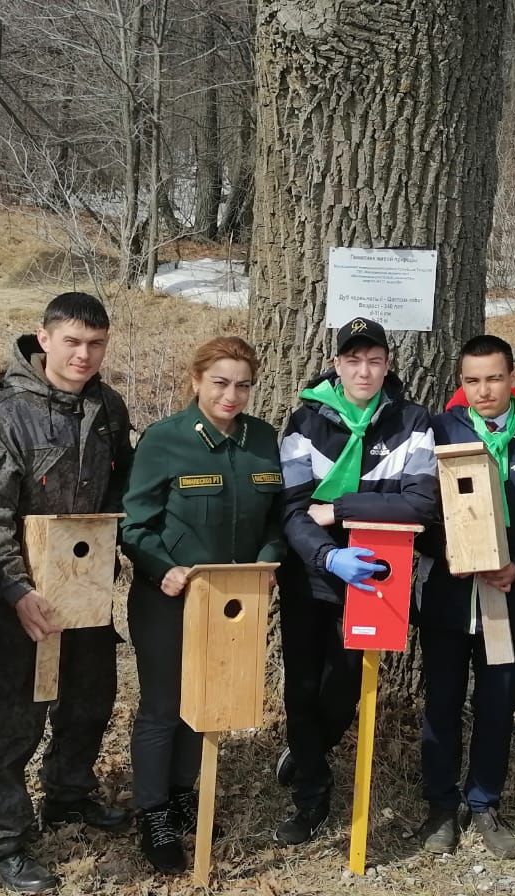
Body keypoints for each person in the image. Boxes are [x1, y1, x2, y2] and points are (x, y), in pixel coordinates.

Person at [0, 293, 133, 894]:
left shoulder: (108, 407)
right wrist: (14, 588)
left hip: (86, 589)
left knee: (90, 701)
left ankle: (68, 793)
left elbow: (124, 489)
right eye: (72, 342)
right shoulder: (6, 413)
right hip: (22, 599)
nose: (84, 355)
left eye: (95, 344)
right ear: (44, 339)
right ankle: (6, 838)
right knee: (13, 719)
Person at [119, 336, 285, 873]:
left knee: (206, 701)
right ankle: (152, 811)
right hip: (168, 599)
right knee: (164, 707)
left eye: (242, 385)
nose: (231, 396)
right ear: (196, 381)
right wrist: (163, 568)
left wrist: (265, 564)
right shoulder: (164, 440)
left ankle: (183, 792)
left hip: (233, 601)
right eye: (220, 383)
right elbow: (135, 524)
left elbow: (278, 517)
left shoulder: (263, 440)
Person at [274, 316, 439, 845]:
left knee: (344, 691)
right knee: (300, 686)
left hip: (373, 579)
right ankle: (311, 798)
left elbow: (420, 503)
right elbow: (293, 510)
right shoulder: (305, 422)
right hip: (310, 574)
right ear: (336, 364)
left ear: (388, 364)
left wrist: (340, 507)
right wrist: (326, 555)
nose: (363, 371)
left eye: (373, 360)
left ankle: (306, 749)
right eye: (353, 360)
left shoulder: (412, 423)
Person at [413, 335, 515, 859]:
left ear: (512, 377)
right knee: (440, 703)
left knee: (496, 706)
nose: (484, 390)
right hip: (447, 598)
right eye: (472, 380)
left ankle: (483, 801)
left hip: (510, 602)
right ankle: (441, 805)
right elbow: (414, 512)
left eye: (494, 378)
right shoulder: (437, 433)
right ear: (460, 383)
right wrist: (451, 551)